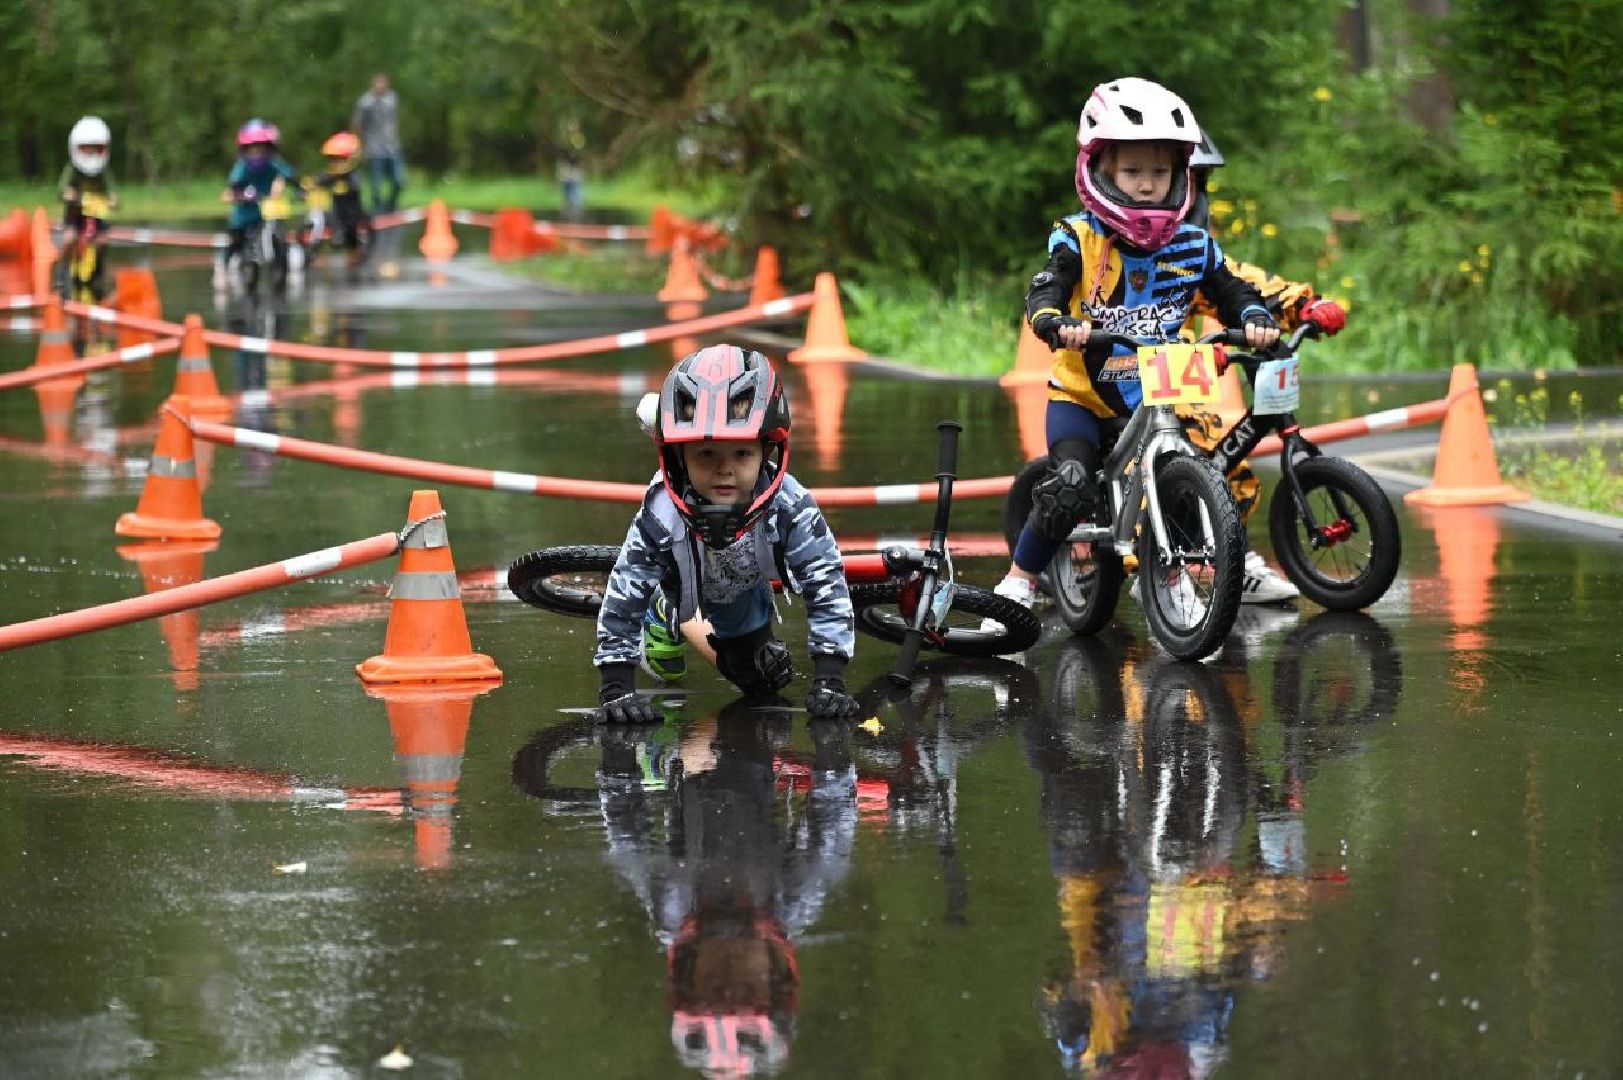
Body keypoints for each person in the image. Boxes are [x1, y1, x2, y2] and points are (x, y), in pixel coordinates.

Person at [991, 77, 1280, 614]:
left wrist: (1256, 316)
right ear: (1101, 171)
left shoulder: (1194, 245)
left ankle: (1172, 576)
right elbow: (1048, 283)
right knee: (1072, 485)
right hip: (1082, 398)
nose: (1147, 185)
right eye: (1132, 171)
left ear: (1179, 176)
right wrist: (1053, 318)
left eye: (1160, 172)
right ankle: (1020, 579)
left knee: (1189, 473)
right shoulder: (1077, 237)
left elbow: (1231, 290)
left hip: (1156, 396)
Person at [593, 345, 860, 723]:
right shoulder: (662, 510)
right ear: (678, 456)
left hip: (738, 587)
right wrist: (616, 687)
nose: (725, 470)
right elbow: (625, 589)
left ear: (767, 450)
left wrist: (830, 679)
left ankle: (703, 625)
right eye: (706, 455)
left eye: (741, 455)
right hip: (679, 575)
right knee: (645, 584)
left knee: (761, 680)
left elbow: (826, 581)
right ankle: (665, 608)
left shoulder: (790, 504)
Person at [1175, 129, 1351, 603]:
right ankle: (1160, 571)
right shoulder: (1107, 250)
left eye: (1193, 182)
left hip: (1171, 372)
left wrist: (1303, 303)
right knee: (1164, 455)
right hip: (1113, 374)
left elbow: (1240, 284)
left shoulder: (1190, 253)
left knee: (1220, 455)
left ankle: (1227, 557)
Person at [220, 119, 298, 273]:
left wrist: (289, 185)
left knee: (279, 232)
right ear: (245, 150)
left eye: (261, 149)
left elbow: (291, 176)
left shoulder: (274, 163)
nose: (258, 154)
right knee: (235, 240)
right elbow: (233, 188)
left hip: (268, 212)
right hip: (246, 213)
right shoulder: (241, 168)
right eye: (253, 150)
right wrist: (242, 196)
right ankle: (222, 267)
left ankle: (280, 260)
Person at [58, 116, 118, 299]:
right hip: (76, 213)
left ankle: (98, 272)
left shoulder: (104, 171)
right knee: (69, 239)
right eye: (87, 148)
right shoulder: (72, 169)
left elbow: (112, 192)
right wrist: (69, 194)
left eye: (95, 148)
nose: (91, 152)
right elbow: (61, 189)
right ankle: (62, 272)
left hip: (96, 214)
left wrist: (113, 200)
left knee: (103, 241)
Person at [303, 131, 370, 268]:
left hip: (352, 214)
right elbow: (316, 181)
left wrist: (342, 186)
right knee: (317, 223)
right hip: (334, 212)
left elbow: (355, 185)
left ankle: (356, 252)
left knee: (352, 229)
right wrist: (306, 187)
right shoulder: (330, 174)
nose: (336, 163)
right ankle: (313, 253)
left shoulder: (352, 175)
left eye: (340, 159)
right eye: (334, 159)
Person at [351, 72, 405, 214]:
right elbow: (357, 125)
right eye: (378, 83)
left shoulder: (392, 98)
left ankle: (391, 205)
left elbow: (394, 121)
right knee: (376, 184)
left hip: (392, 146)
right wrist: (361, 146)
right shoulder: (365, 102)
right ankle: (378, 211)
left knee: (399, 180)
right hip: (374, 148)